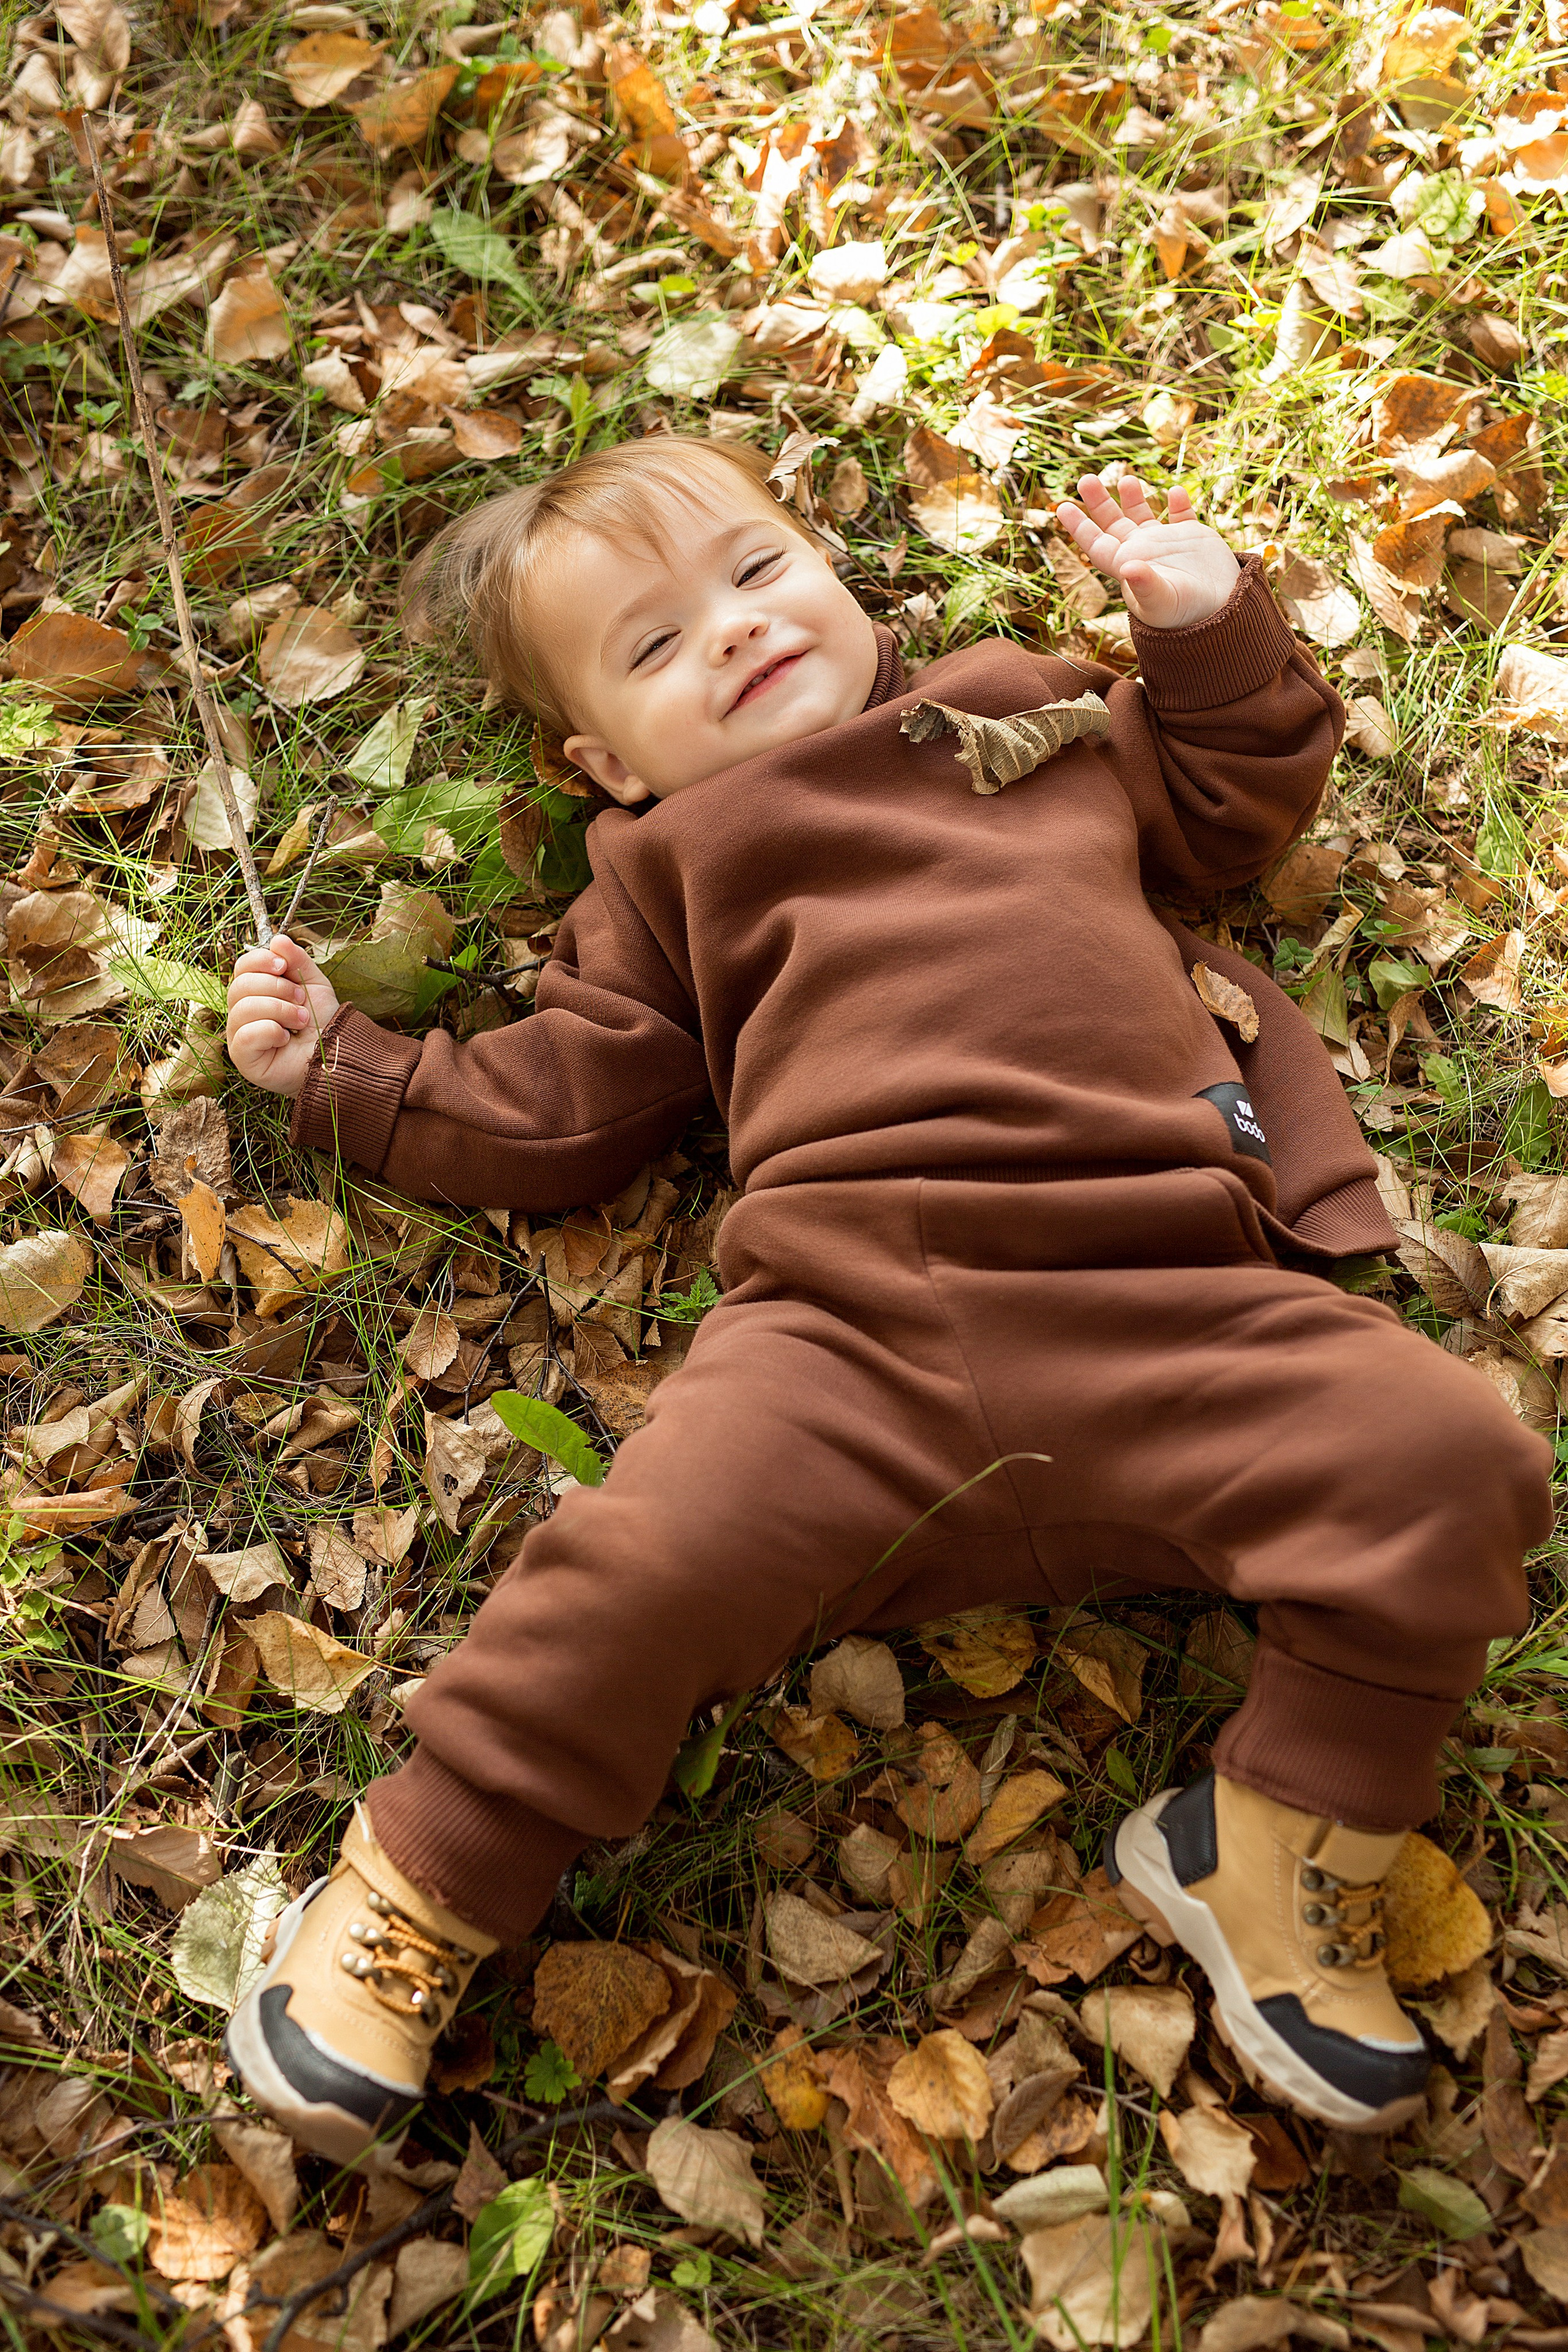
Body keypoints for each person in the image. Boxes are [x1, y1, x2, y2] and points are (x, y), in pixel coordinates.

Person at [223, 435, 1553, 2171]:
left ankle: (1289, 1831)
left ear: (833, 571)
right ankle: (427, 1878)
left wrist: (1206, 626)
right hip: (852, 1338)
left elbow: (1237, 798)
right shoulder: (668, 867)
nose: (735, 631)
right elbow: (564, 1104)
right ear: (606, 764)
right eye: (654, 645)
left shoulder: (1021, 719)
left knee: (1448, 1452)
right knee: (643, 1569)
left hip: (1175, 1303)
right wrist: (348, 1068)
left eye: (757, 571)